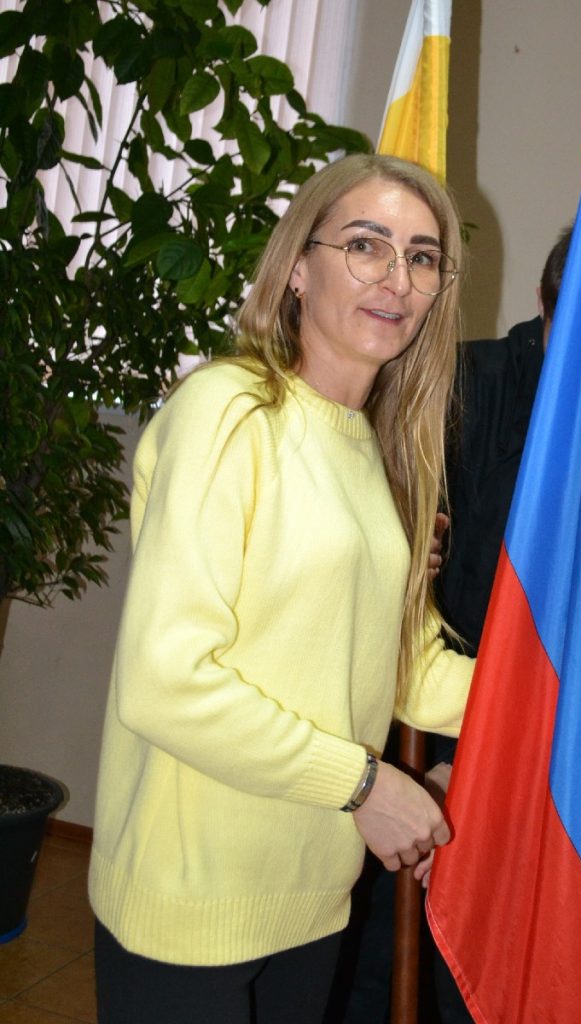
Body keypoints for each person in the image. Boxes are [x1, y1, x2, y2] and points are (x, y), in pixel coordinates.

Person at [87, 152, 475, 1024]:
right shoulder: (229, 409)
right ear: (298, 266)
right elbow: (166, 680)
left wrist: (555, 703)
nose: (396, 279)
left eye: (421, 257)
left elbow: (407, 668)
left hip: (312, 893)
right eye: (366, 245)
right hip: (188, 902)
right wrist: (367, 786)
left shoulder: (377, 453)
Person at [326, 225, 572, 1024]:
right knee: (380, 967)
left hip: (547, 742)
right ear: (543, 303)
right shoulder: (454, 387)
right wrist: (443, 768)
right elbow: (377, 584)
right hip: (422, 735)